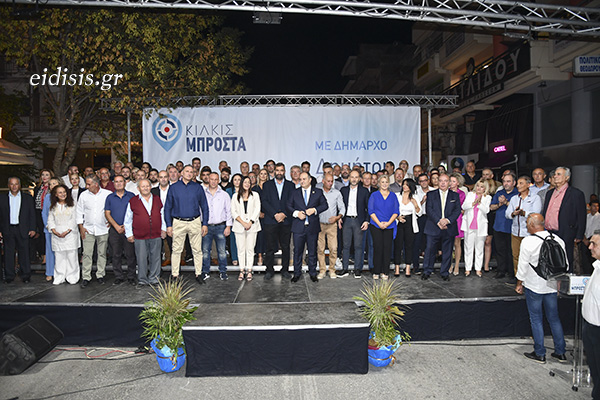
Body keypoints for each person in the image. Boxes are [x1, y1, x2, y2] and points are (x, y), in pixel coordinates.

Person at [515, 214, 567, 364]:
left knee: (536, 319)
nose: (526, 225)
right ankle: (561, 352)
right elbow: (565, 264)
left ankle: (540, 353)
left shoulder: (528, 241)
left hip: (534, 285)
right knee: (554, 318)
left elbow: (522, 266)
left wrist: (519, 283)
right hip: (552, 285)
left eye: (527, 223)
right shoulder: (558, 239)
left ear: (532, 224)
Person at [164, 165, 209, 283]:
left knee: (197, 250)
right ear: (182, 173)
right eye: (187, 171)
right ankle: (175, 275)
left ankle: (198, 274)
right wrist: (169, 225)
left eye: (191, 172)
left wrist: (205, 224)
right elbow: (167, 207)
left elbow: (204, 206)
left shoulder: (198, 187)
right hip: (178, 222)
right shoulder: (173, 188)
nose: (189, 173)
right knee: (176, 250)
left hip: (195, 222)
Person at [541, 166, 587, 272]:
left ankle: (566, 280)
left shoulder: (576, 194)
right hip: (549, 232)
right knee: (550, 259)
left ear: (566, 178)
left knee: (565, 259)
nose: (555, 176)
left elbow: (581, 215)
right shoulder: (549, 193)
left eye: (559, 174)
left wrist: (579, 234)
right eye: (555, 174)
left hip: (566, 232)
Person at [124, 179, 166, 288]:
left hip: (156, 234)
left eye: (147, 186)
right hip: (139, 235)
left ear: (151, 187)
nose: (145, 188)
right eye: (143, 186)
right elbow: (128, 219)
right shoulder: (133, 201)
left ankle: (154, 279)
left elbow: (162, 215)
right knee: (141, 258)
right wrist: (129, 234)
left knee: (156, 258)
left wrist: (164, 229)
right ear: (138, 188)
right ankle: (142, 280)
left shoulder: (157, 199)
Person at [287, 172, 328, 283]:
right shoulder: (294, 192)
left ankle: (313, 273)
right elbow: (288, 206)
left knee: (312, 251)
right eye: (300, 179)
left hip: (312, 227)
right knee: (297, 251)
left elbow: (325, 205)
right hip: (298, 227)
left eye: (304, 179)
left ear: (310, 180)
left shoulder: (318, 192)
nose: (302, 181)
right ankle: (296, 273)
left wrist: (314, 210)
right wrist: (296, 213)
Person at [421, 173, 461, 281]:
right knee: (429, 250)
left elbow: (457, 210)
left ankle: (444, 272)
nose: (443, 183)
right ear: (437, 182)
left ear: (449, 183)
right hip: (433, 226)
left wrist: (447, 221)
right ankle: (427, 271)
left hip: (449, 227)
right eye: (441, 181)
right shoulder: (431, 194)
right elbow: (429, 209)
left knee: (447, 251)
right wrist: (438, 221)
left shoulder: (455, 196)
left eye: (445, 181)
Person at [76, 174, 112, 288]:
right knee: (87, 254)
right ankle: (86, 277)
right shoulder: (83, 195)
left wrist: (111, 221)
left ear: (96, 184)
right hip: (88, 229)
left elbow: (112, 209)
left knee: (102, 253)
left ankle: (100, 275)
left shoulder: (107, 194)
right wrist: (81, 227)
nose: (86, 186)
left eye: (88, 184)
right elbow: (79, 211)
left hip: (103, 228)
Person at [260, 163, 295, 280]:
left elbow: (292, 202)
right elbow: (264, 201)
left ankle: (285, 270)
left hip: (286, 220)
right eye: (277, 170)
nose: (279, 172)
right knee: (270, 247)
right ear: (274, 171)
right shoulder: (267, 185)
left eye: (281, 170)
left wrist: (284, 214)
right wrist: (275, 214)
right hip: (271, 220)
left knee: (285, 247)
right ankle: (269, 270)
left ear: (284, 172)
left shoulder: (290, 185)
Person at [505, 176, 542, 284]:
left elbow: (536, 213)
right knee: (516, 256)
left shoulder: (535, 198)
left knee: (529, 257)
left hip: (529, 233)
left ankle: (530, 279)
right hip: (515, 231)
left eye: (521, 183)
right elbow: (507, 214)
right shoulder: (514, 198)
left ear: (528, 184)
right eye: (518, 183)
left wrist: (524, 213)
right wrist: (513, 213)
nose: (518, 186)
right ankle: (519, 279)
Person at [0, 177, 36, 283]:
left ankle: (26, 275)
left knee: (24, 253)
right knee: (8, 253)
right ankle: (9, 276)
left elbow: (32, 214)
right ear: (8, 185)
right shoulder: (2, 198)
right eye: (12, 184)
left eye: (16, 184)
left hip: (23, 229)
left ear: (19, 185)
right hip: (8, 229)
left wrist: (33, 228)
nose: (14, 186)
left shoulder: (27, 198)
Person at [104, 175, 137, 285]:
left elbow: (135, 212)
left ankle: (131, 276)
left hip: (129, 230)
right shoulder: (110, 197)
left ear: (125, 183)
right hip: (115, 230)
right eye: (116, 182)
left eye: (121, 181)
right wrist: (117, 226)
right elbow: (107, 213)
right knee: (116, 254)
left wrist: (126, 226)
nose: (118, 184)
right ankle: (118, 276)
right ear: (113, 184)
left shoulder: (131, 196)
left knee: (130, 254)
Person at [201, 172, 233, 281]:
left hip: (220, 226)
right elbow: (200, 210)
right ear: (208, 180)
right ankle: (205, 272)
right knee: (205, 251)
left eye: (216, 179)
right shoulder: (203, 194)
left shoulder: (224, 195)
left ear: (218, 180)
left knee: (222, 251)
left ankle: (223, 271)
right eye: (211, 179)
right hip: (206, 226)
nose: (213, 181)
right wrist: (201, 225)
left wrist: (228, 226)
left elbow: (228, 211)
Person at [368, 174, 399, 280]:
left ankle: (385, 271)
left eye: (386, 182)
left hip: (389, 226)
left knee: (387, 249)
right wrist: (380, 223)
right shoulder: (374, 195)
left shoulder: (393, 196)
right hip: (376, 225)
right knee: (378, 248)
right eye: (382, 182)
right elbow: (371, 211)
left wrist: (388, 223)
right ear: (379, 183)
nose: (384, 184)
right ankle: (376, 271)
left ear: (389, 183)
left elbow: (396, 211)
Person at [47, 185, 80, 285]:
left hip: (70, 234)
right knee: (59, 257)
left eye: (64, 192)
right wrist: (53, 230)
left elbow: (74, 219)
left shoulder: (73, 205)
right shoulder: (53, 206)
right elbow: (50, 220)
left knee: (71, 256)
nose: (62, 194)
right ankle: (59, 276)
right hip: (57, 235)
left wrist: (67, 231)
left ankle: (72, 276)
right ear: (56, 195)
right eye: (60, 192)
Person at [231, 176, 261, 281]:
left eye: (249, 182)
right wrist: (243, 223)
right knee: (241, 249)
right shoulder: (235, 196)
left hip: (252, 226)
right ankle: (241, 270)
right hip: (239, 225)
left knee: (250, 249)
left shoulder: (255, 195)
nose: (247, 184)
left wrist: (250, 222)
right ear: (241, 184)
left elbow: (257, 209)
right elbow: (233, 212)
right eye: (245, 182)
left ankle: (249, 270)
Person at [490, 172, 518, 280]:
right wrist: (499, 204)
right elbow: (491, 207)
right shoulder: (499, 193)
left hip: (512, 227)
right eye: (504, 181)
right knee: (500, 250)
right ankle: (501, 271)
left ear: (514, 183)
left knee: (511, 251)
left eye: (508, 181)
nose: (506, 183)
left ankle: (512, 272)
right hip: (499, 226)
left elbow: (517, 209)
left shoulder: (517, 194)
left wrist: (506, 202)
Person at [317, 173, 345, 279]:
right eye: (328, 181)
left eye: (331, 181)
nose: (330, 183)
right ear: (323, 181)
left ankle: (332, 270)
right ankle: (322, 270)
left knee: (333, 248)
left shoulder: (337, 193)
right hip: (319, 224)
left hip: (332, 225)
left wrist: (337, 217)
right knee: (320, 249)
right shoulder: (318, 192)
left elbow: (342, 208)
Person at [461, 180, 491, 277]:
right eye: (478, 186)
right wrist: (473, 203)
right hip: (469, 225)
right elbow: (464, 206)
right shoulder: (470, 195)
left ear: (485, 188)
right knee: (468, 247)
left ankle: (478, 268)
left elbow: (486, 210)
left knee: (479, 248)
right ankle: (468, 268)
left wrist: (480, 203)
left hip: (480, 226)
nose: (479, 188)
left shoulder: (487, 197)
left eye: (482, 187)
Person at [583, 230, 600, 400]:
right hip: (590, 328)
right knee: (595, 371)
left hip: (598, 331)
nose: (590, 247)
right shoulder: (597, 267)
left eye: (594, 244)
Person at [394, 179, 421, 277]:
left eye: (407, 185)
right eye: (404, 184)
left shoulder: (415, 197)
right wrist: (398, 217)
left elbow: (419, 213)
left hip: (410, 223)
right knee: (398, 246)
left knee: (409, 246)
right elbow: (393, 209)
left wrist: (415, 204)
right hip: (399, 222)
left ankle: (408, 268)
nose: (404, 186)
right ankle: (397, 268)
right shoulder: (397, 196)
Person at [41, 177, 61, 282]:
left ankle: (61, 272)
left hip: (62, 229)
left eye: (54, 183)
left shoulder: (64, 196)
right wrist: (48, 226)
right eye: (50, 184)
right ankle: (49, 272)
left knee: (61, 252)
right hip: (49, 229)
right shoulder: (47, 197)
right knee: (49, 251)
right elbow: (44, 213)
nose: (52, 186)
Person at [33, 169, 54, 264]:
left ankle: (50, 256)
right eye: (43, 175)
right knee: (42, 235)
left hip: (49, 213)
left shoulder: (52, 188)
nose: (44, 177)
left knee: (49, 235)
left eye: (47, 175)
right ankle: (44, 255)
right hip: (38, 213)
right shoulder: (37, 188)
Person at [152, 171, 171, 267]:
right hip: (157, 222)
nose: (163, 179)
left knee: (173, 246)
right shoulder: (153, 191)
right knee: (157, 248)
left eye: (165, 177)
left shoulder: (174, 189)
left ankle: (175, 269)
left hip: (172, 221)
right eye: (161, 177)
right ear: (158, 179)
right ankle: (157, 268)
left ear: (168, 178)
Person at [449, 173, 467, 276]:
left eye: (453, 181)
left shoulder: (462, 194)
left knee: (457, 243)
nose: (451, 183)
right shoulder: (446, 192)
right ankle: (449, 264)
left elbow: (462, 207)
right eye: (450, 181)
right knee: (448, 243)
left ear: (458, 183)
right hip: (448, 218)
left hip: (458, 218)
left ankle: (456, 265)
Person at [252, 169, 269, 266]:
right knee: (259, 237)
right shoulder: (254, 188)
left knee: (268, 237)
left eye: (265, 174)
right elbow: (252, 204)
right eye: (261, 174)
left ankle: (268, 257)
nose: (263, 175)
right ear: (258, 175)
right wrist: (258, 213)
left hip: (269, 215)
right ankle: (259, 256)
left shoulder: (270, 187)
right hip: (257, 216)